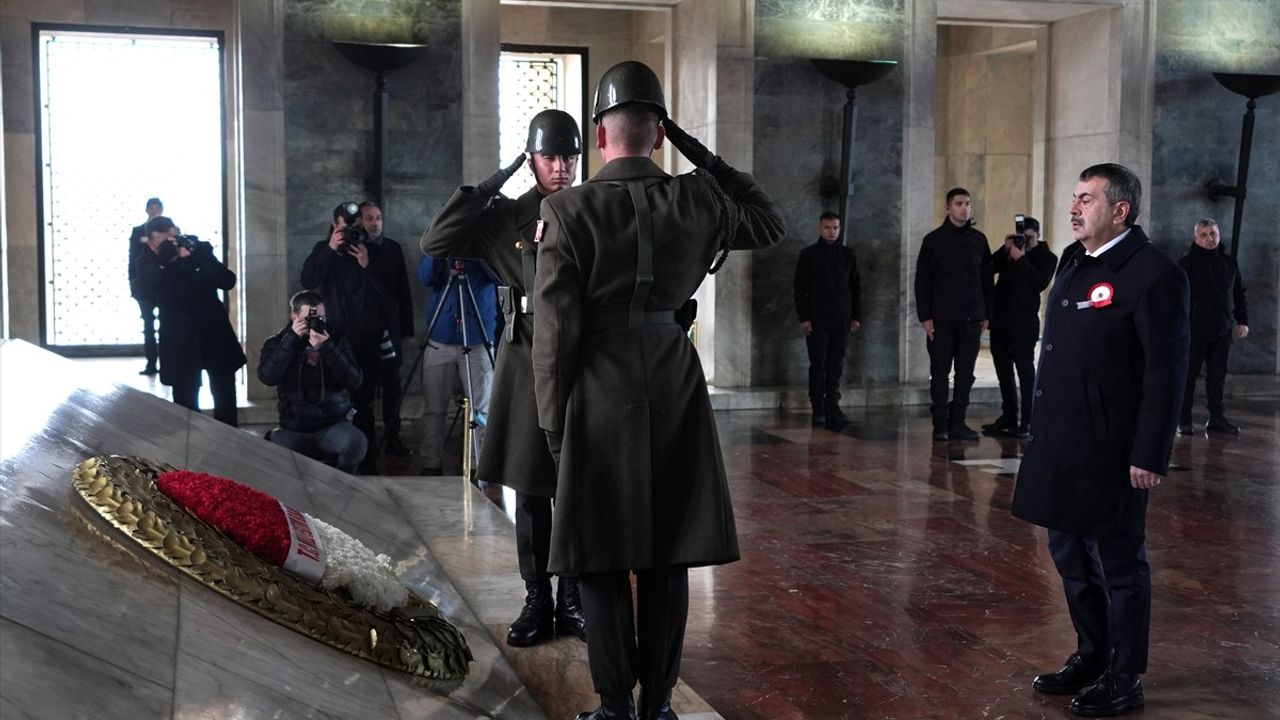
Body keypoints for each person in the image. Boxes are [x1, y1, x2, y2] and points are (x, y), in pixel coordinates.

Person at [531, 60, 786, 720]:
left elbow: (554, 334)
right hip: (674, 379)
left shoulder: (566, 208)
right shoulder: (699, 199)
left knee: (602, 558)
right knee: (670, 555)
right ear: (661, 134)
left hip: (597, 390)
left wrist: (556, 426)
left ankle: (615, 706)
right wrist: (703, 158)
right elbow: (767, 220)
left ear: (599, 134)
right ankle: (660, 707)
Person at [1012, 163, 1189, 718]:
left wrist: (1149, 452)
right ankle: (1092, 654)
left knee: (1120, 561)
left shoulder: (1154, 272)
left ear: (1121, 210)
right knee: (1066, 551)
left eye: (1086, 199)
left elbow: (1167, 372)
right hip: (1061, 439)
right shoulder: (1072, 260)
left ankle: (1125, 675)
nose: (1074, 207)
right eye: (1074, 197)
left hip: (1114, 448)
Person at [421, 109, 589, 648]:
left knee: (578, 487)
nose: (560, 167)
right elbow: (437, 241)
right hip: (523, 356)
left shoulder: (593, 208)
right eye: (549, 157)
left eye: (568, 157)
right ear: (532, 159)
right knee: (532, 486)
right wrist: (496, 180)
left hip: (585, 356)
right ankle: (538, 598)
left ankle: (574, 599)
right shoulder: (505, 217)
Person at [301, 202, 400, 475]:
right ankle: (333, 461)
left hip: (366, 341)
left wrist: (367, 265)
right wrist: (331, 249)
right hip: (332, 341)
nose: (351, 235)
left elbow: (390, 293)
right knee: (332, 400)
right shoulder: (323, 251)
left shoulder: (374, 253)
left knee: (363, 402)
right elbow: (308, 279)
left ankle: (366, 464)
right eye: (345, 230)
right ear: (334, 227)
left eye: (355, 230)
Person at [132, 216, 246, 426]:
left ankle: (232, 447)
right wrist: (161, 263)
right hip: (179, 342)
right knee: (185, 409)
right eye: (162, 243)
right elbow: (140, 292)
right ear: (151, 244)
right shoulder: (147, 261)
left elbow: (227, 280)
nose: (170, 245)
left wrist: (195, 261)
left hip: (213, 333)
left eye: (172, 239)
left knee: (225, 399)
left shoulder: (199, 249)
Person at [915, 187, 994, 441]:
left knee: (965, 372)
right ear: (948, 207)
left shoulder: (979, 240)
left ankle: (958, 422)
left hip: (971, 316)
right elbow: (922, 281)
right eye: (959, 203)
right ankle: (940, 424)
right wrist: (925, 316)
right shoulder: (933, 240)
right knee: (939, 372)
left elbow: (986, 279)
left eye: (968, 203)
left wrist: (986, 313)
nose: (964, 208)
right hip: (941, 318)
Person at [258, 290, 367, 473]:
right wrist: (291, 340)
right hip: (293, 428)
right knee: (273, 454)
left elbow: (355, 381)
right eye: (309, 319)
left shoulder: (337, 340)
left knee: (356, 442)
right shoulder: (277, 342)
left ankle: (341, 486)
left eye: (321, 318)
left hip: (332, 426)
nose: (316, 323)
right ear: (294, 317)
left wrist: (328, 349)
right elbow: (268, 377)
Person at [415, 255, 499, 477]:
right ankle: (431, 462)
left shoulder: (485, 239)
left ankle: (478, 464)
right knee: (434, 408)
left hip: (477, 336)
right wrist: (441, 246)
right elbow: (425, 277)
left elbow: (501, 277)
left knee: (482, 409)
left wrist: (479, 247)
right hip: (440, 336)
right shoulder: (442, 237)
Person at [982, 215, 1056, 438]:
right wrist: (1005, 250)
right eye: (1022, 237)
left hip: (1024, 325)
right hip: (1001, 322)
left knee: (1025, 373)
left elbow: (1039, 283)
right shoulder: (1010, 251)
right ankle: (1008, 416)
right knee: (1003, 372)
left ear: (1038, 235)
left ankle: (1028, 421)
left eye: (1029, 237)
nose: (1025, 241)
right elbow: (988, 268)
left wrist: (1021, 258)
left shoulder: (1047, 257)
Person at [1177, 219, 1248, 435]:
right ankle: (1184, 420)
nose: (1210, 239)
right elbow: (1175, 299)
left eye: (1213, 234)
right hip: (1194, 331)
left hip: (1222, 329)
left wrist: (1242, 320)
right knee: (1188, 377)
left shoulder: (1228, 263)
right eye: (1205, 235)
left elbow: (1238, 293)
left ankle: (1217, 419)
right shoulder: (1185, 265)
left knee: (1217, 378)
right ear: (1195, 238)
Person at [359, 200, 416, 456]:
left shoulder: (392, 248)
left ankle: (393, 438)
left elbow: (402, 289)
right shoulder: (354, 248)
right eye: (369, 218)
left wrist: (405, 328)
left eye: (378, 218)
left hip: (388, 328)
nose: (375, 223)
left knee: (392, 386)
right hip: (362, 328)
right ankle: (366, 440)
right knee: (364, 387)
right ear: (360, 221)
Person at [793, 211, 861, 428]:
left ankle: (833, 405)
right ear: (819, 229)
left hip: (841, 318)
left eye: (835, 228)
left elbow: (855, 287)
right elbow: (799, 289)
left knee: (836, 364)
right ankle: (818, 408)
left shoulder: (848, 255)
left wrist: (855, 316)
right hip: (817, 319)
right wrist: (804, 318)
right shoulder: (809, 255)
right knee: (818, 364)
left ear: (840, 229)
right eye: (827, 228)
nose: (832, 232)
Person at [128, 197, 165, 375]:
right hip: (145, 285)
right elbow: (132, 258)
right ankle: (151, 364)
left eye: (157, 207)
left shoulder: (169, 229)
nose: (154, 210)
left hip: (165, 286)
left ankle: (166, 362)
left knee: (167, 324)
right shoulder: (138, 231)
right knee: (148, 326)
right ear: (147, 210)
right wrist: (133, 284)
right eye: (151, 207)